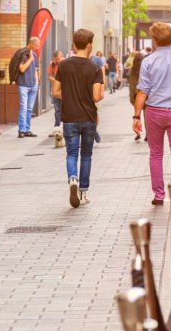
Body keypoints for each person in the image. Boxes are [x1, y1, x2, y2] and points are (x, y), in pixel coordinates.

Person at [133, 22, 171, 206]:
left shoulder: (148, 61)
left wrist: (136, 116)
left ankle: (159, 195)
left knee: (156, 154)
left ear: (154, 40)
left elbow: (143, 91)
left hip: (154, 112)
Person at [53, 29, 104, 208]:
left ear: (74, 45)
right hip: (88, 117)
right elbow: (96, 96)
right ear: (89, 45)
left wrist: (70, 96)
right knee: (87, 155)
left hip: (69, 117)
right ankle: (83, 192)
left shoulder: (64, 65)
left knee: (72, 153)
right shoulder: (95, 68)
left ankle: (72, 177)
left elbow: (55, 92)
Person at [15, 37, 40, 138]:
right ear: (32, 44)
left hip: (33, 85)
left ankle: (27, 129)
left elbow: (35, 69)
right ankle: (21, 130)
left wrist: (37, 82)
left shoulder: (34, 54)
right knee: (23, 108)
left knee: (29, 109)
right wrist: (30, 59)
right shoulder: (23, 54)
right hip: (23, 85)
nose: (38, 47)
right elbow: (21, 69)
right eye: (37, 45)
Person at [128, 50, 145, 141]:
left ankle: (138, 132)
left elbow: (131, 86)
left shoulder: (132, 71)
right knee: (146, 117)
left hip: (136, 96)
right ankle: (148, 135)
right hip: (146, 96)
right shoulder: (146, 69)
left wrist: (131, 98)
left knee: (137, 116)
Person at [48, 50, 64, 133]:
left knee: (66, 110)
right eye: (56, 59)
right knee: (57, 110)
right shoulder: (52, 64)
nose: (57, 61)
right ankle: (56, 128)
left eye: (58, 59)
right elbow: (49, 77)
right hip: (55, 90)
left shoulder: (66, 64)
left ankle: (66, 127)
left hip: (65, 90)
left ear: (62, 56)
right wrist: (55, 80)